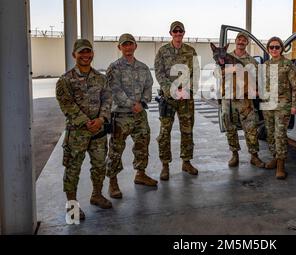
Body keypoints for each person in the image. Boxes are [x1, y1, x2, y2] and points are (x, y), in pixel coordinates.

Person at [56, 39, 113, 220]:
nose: (85, 56)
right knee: (73, 169)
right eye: (81, 52)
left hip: (98, 133)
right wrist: (86, 122)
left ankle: (96, 195)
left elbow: (107, 100)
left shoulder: (101, 78)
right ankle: (72, 206)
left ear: (92, 54)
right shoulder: (65, 80)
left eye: (88, 52)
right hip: (77, 134)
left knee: (99, 166)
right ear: (74, 55)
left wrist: (101, 119)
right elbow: (67, 105)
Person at [106, 33, 158, 199]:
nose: (128, 47)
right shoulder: (114, 68)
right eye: (124, 45)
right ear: (119, 47)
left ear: (136, 46)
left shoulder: (143, 67)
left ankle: (140, 174)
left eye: (130, 44)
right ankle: (112, 182)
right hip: (121, 115)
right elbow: (115, 91)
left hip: (139, 114)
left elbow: (149, 87)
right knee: (116, 149)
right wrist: (131, 104)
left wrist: (142, 102)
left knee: (143, 143)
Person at [154, 21, 200, 180]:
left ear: (184, 33)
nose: (178, 34)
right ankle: (165, 165)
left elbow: (197, 74)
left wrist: (187, 90)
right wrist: (172, 90)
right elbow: (159, 73)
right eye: (175, 31)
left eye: (181, 31)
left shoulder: (191, 51)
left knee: (187, 131)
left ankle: (186, 162)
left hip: (186, 98)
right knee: (165, 133)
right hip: (168, 99)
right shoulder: (162, 51)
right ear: (171, 33)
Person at [219, 32, 266, 168]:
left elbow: (259, 80)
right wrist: (230, 69)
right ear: (236, 41)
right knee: (230, 126)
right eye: (239, 39)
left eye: (244, 40)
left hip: (245, 100)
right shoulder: (225, 57)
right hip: (228, 98)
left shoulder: (252, 61)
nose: (241, 42)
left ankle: (254, 156)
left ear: (247, 43)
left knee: (250, 127)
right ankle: (234, 155)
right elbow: (216, 73)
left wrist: (257, 91)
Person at [262, 36, 296, 179]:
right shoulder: (265, 65)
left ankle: (281, 165)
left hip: (283, 105)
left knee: (280, 135)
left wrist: (294, 105)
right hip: (268, 104)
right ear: (268, 49)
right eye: (271, 47)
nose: (274, 49)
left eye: (277, 47)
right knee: (270, 134)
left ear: (281, 49)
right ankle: (274, 157)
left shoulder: (287, 64)